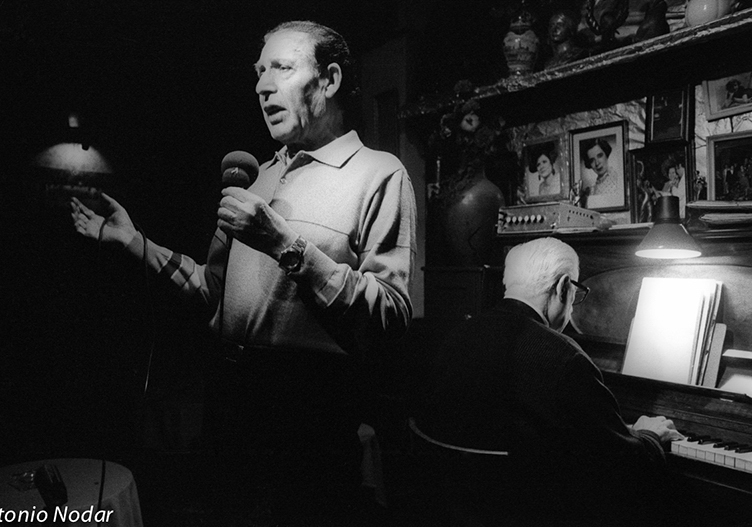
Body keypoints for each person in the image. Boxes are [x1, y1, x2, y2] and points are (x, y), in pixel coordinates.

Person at [70, 20, 417, 526]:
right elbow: (211, 292)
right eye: (258, 72)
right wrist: (133, 242)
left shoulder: (379, 173)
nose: (261, 85)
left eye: (281, 67)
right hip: (230, 401)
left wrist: (283, 244)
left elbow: (391, 316)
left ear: (331, 79)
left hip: (312, 411)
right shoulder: (259, 176)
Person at [415, 237, 684, 525]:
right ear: (564, 287)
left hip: (459, 511)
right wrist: (648, 436)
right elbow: (621, 467)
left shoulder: (458, 336)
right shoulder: (562, 356)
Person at [580, 136, 621, 205]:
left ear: (606, 154)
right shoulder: (592, 190)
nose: (597, 163)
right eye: (592, 160)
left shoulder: (618, 179)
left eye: (600, 156)